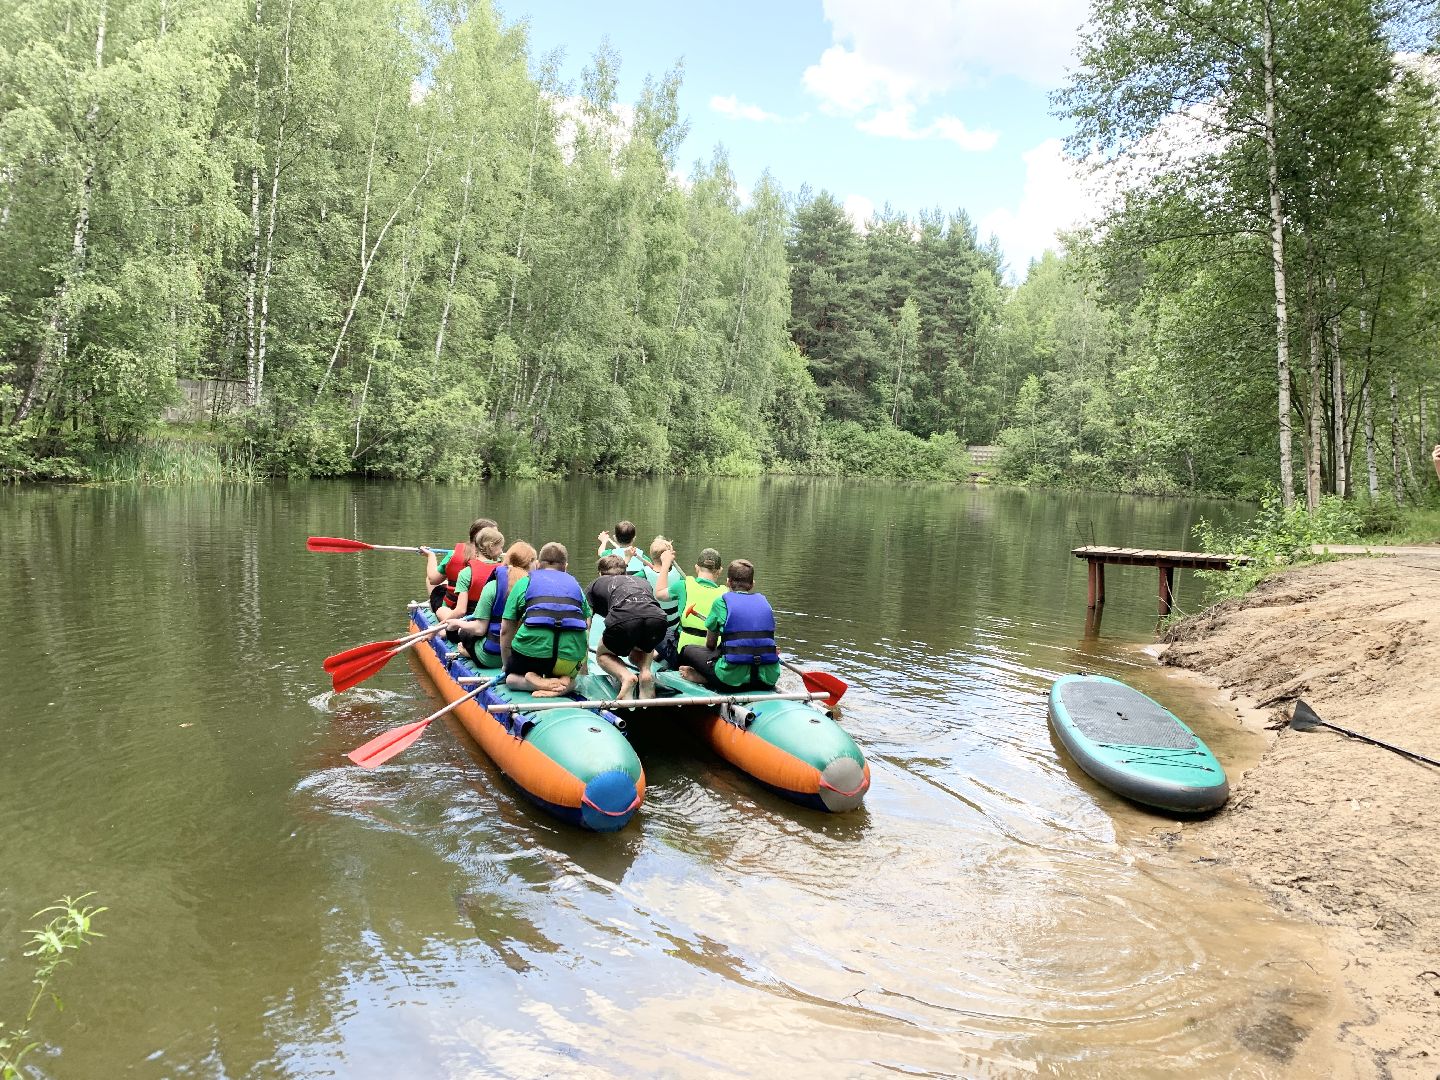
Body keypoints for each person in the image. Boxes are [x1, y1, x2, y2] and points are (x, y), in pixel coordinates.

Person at [499, 541, 591, 697]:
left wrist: (507, 665)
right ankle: (564, 685)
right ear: (565, 566)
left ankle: (535, 682)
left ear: (537, 564)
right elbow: (586, 625)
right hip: (567, 660)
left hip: (532, 657)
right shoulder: (576, 586)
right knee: (575, 681)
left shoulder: (524, 582)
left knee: (511, 679)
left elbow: (506, 630)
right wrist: (582, 668)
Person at [678, 558, 780, 693]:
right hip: (768, 680)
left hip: (730, 682)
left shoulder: (721, 602)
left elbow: (710, 645)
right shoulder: (765, 604)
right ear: (752, 584)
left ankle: (706, 678)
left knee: (687, 650)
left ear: (728, 582)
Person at [441, 541, 535, 668]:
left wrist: (457, 623)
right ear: (530, 563)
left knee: (464, 632)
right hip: (523, 657)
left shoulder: (492, 587)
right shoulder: (536, 589)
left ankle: (469, 653)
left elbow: (480, 629)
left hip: (490, 658)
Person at [587, 555, 667, 699]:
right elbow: (644, 612)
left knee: (603, 655)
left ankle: (626, 677)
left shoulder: (596, 583)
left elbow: (586, 625)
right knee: (643, 646)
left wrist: (582, 670)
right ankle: (645, 673)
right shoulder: (642, 581)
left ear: (600, 573)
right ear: (625, 572)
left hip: (625, 620)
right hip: (658, 619)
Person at [424, 518, 497, 614]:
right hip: (482, 607)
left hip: (454, 607)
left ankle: (435, 609)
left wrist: (431, 556)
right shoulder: (498, 562)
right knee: (445, 583)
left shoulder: (453, 555)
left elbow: (433, 580)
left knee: (432, 580)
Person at [666, 547, 726, 657]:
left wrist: (665, 564)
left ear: (696, 568)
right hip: (714, 654)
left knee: (664, 632)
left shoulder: (683, 585)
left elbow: (659, 594)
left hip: (684, 652)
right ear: (720, 571)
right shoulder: (726, 594)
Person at [436, 526, 504, 622]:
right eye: (501, 547)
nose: (501, 551)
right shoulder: (504, 571)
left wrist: (441, 625)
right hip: (496, 620)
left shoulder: (466, 573)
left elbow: (461, 611)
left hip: (470, 622)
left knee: (441, 610)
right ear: (491, 546)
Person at [642, 536, 685, 666]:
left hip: (655, 627)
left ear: (651, 556)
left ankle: (653, 652)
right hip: (674, 625)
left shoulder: (644, 574)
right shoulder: (679, 576)